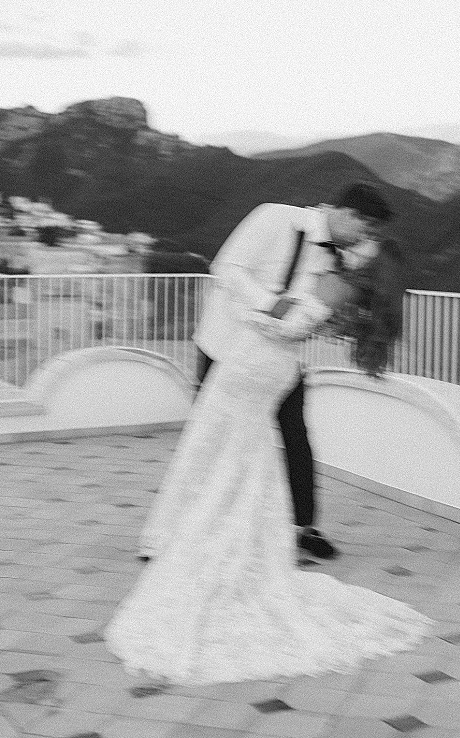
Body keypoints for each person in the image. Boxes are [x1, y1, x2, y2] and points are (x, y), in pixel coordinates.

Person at [104, 216, 432, 687]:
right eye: (363, 236)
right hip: (268, 373)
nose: (359, 245)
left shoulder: (337, 284)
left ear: (372, 260)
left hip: (252, 368)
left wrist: (254, 311)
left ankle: (206, 540)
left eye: (368, 243)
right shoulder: (347, 288)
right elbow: (302, 326)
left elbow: (285, 328)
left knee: (218, 451)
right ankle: (220, 535)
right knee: (242, 457)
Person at [138, 183, 395, 563]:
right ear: (346, 213)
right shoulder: (274, 217)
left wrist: (328, 319)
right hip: (225, 348)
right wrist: (271, 305)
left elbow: (317, 307)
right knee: (211, 438)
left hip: (279, 360)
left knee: (295, 435)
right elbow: (225, 267)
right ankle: (185, 527)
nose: (364, 238)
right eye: (366, 227)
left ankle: (303, 528)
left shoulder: (337, 261)